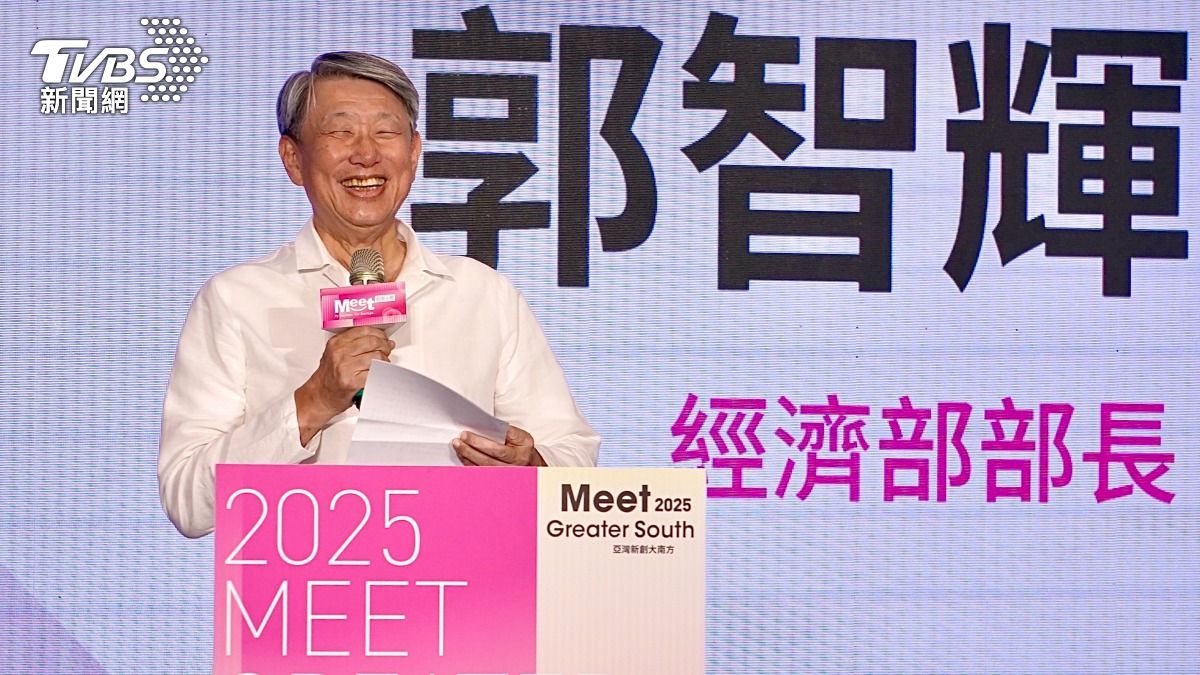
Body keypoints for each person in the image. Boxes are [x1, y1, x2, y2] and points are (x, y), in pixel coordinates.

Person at [158, 52, 599, 538]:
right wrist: (311, 403)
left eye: (386, 132)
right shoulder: (236, 300)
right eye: (340, 132)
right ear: (293, 158)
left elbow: (573, 457)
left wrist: (530, 468)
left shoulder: (481, 294)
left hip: (462, 577)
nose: (366, 154)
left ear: (414, 152)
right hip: (301, 582)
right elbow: (188, 500)